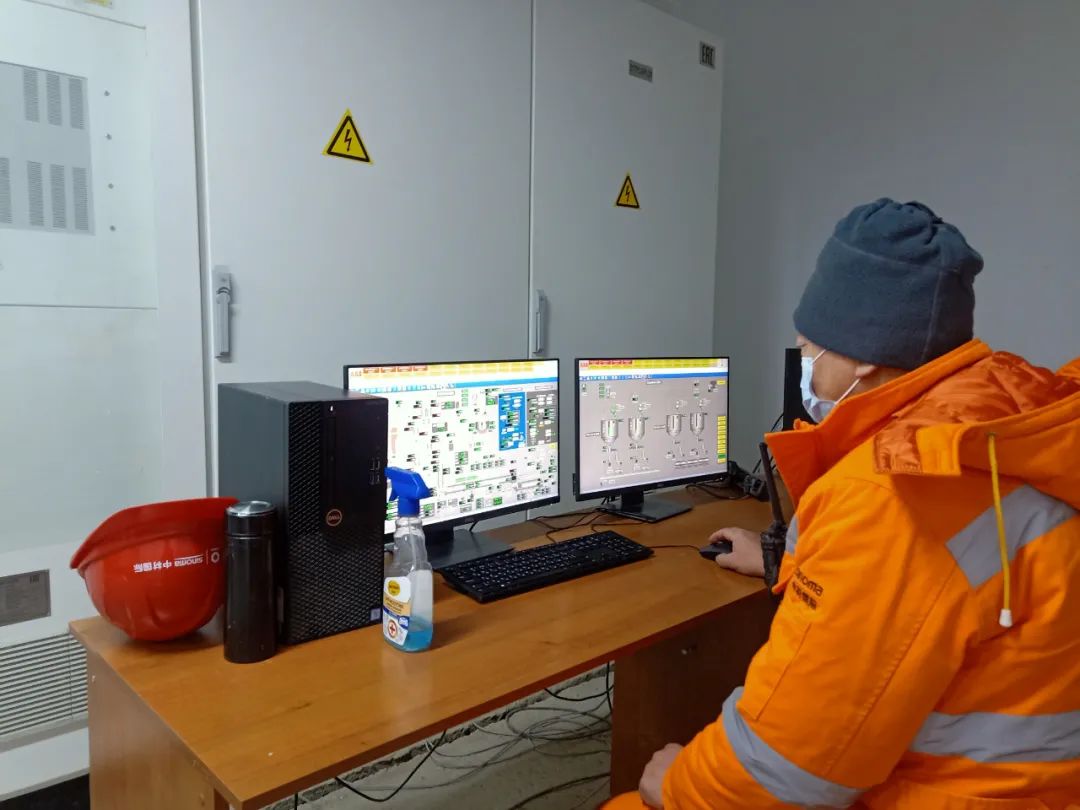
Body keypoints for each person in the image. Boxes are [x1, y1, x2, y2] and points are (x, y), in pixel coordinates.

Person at [604, 198, 1080, 809]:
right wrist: (784, 560)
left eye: (810, 350)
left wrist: (675, 786)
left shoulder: (891, 491)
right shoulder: (1006, 426)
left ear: (864, 356)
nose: (804, 364)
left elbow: (783, 772)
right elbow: (926, 588)